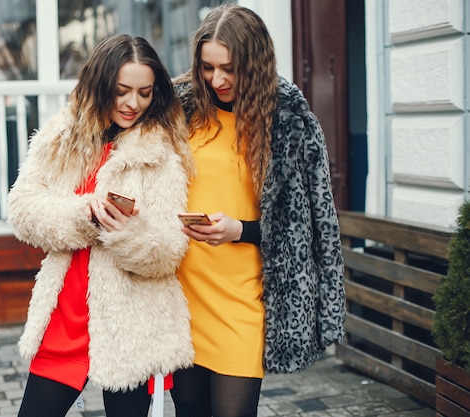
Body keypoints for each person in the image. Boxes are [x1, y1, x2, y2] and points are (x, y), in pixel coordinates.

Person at [170, 4, 346, 417]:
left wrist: (241, 230)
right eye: (208, 67)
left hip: (243, 300)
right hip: (180, 298)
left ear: (256, 60)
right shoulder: (180, 109)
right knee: (189, 411)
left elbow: (307, 227)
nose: (217, 80)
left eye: (229, 68)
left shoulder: (290, 122)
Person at [7, 34, 195, 417]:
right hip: (65, 315)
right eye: (122, 90)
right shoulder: (63, 136)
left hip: (131, 322)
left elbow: (169, 252)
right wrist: (84, 214)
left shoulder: (160, 154)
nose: (133, 103)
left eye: (145, 93)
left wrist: (128, 232)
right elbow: (23, 210)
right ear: (100, 83)